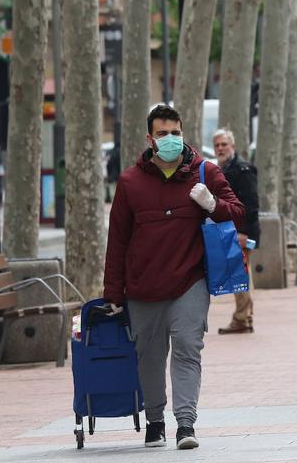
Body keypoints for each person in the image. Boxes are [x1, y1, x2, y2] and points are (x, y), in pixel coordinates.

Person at [103, 105, 244, 449]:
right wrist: (113, 293)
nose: (171, 140)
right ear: (150, 139)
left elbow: (238, 212)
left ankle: (185, 424)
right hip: (142, 287)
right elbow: (117, 240)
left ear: (184, 133)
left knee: (187, 349)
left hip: (189, 282)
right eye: (163, 134)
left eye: (176, 133)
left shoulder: (204, 173)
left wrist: (212, 203)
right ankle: (155, 420)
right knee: (149, 357)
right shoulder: (130, 182)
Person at [212, 128, 260, 334]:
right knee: (241, 273)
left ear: (233, 146)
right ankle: (244, 317)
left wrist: (244, 232)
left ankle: (241, 318)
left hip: (241, 232)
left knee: (240, 274)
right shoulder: (221, 170)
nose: (221, 148)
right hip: (229, 231)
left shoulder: (243, 170)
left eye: (224, 144)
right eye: (217, 145)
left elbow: (251, 204)